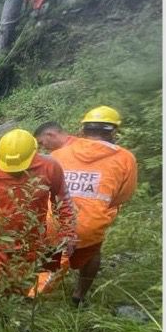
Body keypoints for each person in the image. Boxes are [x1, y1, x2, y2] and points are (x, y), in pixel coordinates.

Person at [35, 107, 138, 302]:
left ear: (83, 130)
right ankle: (79, 295)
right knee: (92, 254)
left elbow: (42, 188)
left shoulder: (59, 154)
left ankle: (38, 293)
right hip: (90, 226)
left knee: (51, 256)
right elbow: (124, 195)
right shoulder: (126, 158)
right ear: (114, 131)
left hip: (55, 223)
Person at [0, 129, 75, 296]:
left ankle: (14, 311)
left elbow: (62, 200)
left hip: (30, 240)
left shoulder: (50, 167)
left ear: (34, 154)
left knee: (21, 285)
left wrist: (69, 233)